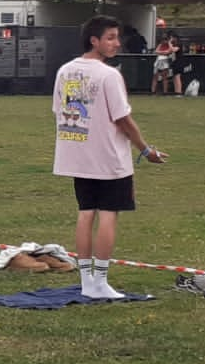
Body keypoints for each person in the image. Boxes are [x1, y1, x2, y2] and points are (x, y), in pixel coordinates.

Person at [52, 16, 167, 300]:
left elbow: (59, 111)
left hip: (77, 156)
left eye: (117, 37)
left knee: (85, 212)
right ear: (94, 40)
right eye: (111, 37)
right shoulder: (109, 75)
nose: (117, 43)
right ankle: (99, 281)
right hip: (107, 158)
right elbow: (123, 119)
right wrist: (145, 150)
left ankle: (86, 281)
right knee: (107, 215)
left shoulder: (65, 71)